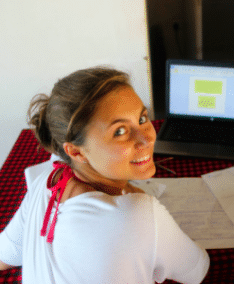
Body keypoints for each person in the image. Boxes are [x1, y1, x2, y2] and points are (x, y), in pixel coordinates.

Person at [0, 67, 210, 283]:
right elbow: (196, 271)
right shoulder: (141, 213)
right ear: (76, 151)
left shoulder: (45, 181)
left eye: (142, 118)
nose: (146, 139)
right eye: (120, 131)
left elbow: (6, 254)